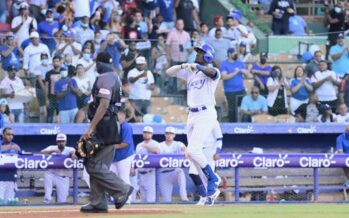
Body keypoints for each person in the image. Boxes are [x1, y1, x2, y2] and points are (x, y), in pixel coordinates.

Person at [165, 43, 221, 205]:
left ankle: (213, 178)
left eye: (201, 53)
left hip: (206, 113)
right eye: (197, 52)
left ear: (208, 56)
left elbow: (212, 72)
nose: (197, 54)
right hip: (192, 115)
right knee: (193, 155)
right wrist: (184, 66)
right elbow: (169, 72)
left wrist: (197, 66)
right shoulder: (191, 73)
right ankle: (207, 195)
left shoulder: (212, 72)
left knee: (193, 149)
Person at [80, 52, 133, 213]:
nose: (96, 65)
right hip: (108, 122)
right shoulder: (113, 76)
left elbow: (103, 105)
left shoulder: (106, 77)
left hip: (105, 123)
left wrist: (90, 128)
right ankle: (98, 202)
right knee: (98, 163)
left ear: (101, 64)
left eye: (97, 63)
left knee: (92, 164)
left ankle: (122, 189)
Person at [189, 120, 223, 205]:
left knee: (206, 177)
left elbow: (219, 139)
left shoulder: (213, 121)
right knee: (192, 172)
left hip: (210, 150)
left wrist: (217, 151)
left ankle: (207, 198)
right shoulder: (194, 120)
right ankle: (205, 196)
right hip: (197, 150)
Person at [40, 133, 76, 203]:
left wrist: (72, 154)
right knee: (47, 175)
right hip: (51, 174)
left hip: (63, 177)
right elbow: (41, 153)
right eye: (59, 141)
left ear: (66, 142)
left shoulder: (70, 149)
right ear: (57, 142)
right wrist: (52, 151)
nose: (61, 143)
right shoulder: (52, 147)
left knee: (62, 200)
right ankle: (47, 199)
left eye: (63, 141)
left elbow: (74, 154)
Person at [157, 126, 189, 203]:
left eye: (171, 133)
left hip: (173, 171)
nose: (169, 135)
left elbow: (184, 148)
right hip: (163, 174)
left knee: (180, 171)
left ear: (174, 135)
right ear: (165, 134)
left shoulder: (178, 144)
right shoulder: (160, 145)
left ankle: (184, 197)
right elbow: (156, 151)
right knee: (167, 200)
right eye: (167, 133)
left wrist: (185, 151)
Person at [110, 109, 135, 197]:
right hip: (115, 157)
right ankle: (117, 198)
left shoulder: (126, 126)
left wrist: (111, 147)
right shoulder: (115, 126)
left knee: (124, 178)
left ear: (123, 116)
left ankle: (128, 200)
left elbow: (125, 143)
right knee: (113, 178)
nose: (116, 118)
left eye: (118, 116)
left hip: (125, 156)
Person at [220, 47, 247, 122]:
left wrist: (242, 71)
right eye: (234, 53)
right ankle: (232, 126)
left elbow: (248, 74)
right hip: (230, 91)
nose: (236, 55)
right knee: (232, 110)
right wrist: (235, 72)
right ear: (229, 54)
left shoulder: (240, 63)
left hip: (241, 89)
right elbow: (224, 77)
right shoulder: (224, 64)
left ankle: (245, 124)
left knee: (245, 106)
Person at [135, 126, 160, 202]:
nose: (146, 134)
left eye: (149, 133)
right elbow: (135, 158)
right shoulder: (139, 145)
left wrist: (146, 146)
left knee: (150, 199)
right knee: (143, 199)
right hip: (140, 173)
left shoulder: (155, 143)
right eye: (145, 132)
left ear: (152, 134)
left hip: (150, 173)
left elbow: (157, 151)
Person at [0, 127, 21, 205]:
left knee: (9, 203)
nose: (10, 136)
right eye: (8, 134)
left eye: (12, 135)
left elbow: (22, 160)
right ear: (3, 135)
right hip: (0, 178)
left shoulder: (16, 147)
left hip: (11, 178)